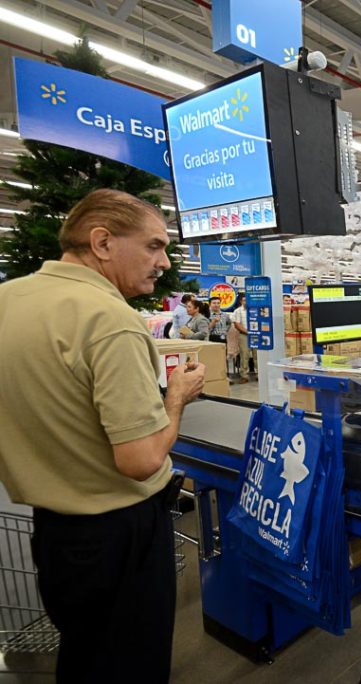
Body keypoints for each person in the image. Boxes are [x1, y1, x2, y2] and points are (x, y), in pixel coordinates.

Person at [0, 189, 207, 682]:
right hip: (120, 533)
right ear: (102, 242)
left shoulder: (9, 299)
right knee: (130, 664)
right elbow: (140, 460)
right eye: (154, 246)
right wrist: (175, 396)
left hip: (53, 532)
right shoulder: (110, 320)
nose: (164, 261)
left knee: (84, 653)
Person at [231, 291, 252, 380]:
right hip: (244, 335)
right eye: (244, 300)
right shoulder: (237, 311)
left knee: (257, 355)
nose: (246, 302)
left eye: (248, 300)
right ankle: (244, 375)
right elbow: (237, 324)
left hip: (256, 335)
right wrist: (248, 332)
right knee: (244, 355)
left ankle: (259, 374)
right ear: (241, 301)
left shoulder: (255, 309)